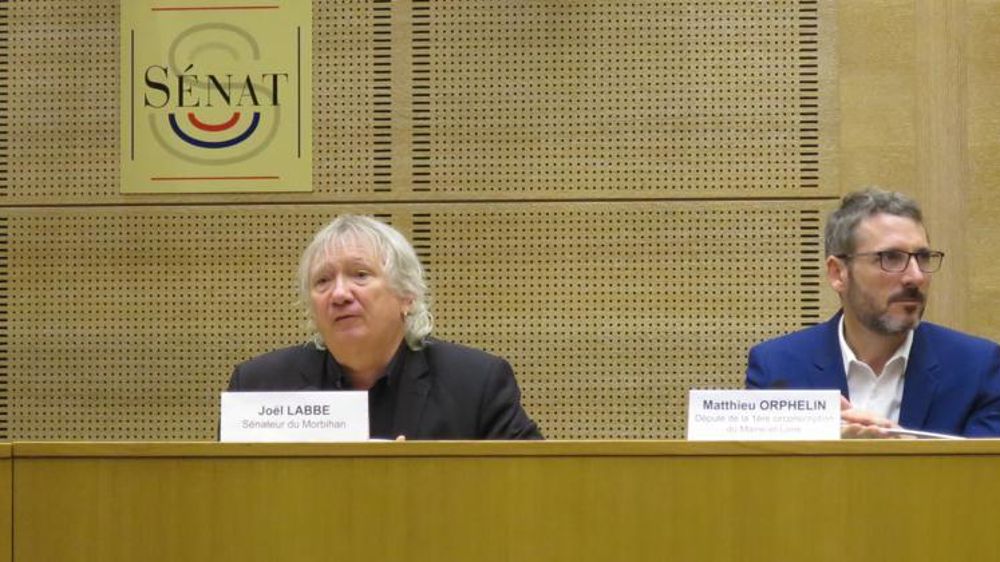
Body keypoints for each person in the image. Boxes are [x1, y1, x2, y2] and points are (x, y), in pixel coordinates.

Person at [228, 214, 542, 440]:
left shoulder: (475, 384)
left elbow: (532, 486)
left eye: (360, 275)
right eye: (322, 281)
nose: (339, 294)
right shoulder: (261, 385)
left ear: (407, 295)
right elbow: (225, 496)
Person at [746, 187, 1000, 437]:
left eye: (922, 258)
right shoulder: (778, 368)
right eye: (890, 258)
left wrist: (902, 453)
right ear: (838, 273)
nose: (916, 276)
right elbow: (757, 475)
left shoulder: (978, 368)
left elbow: (985, 476)